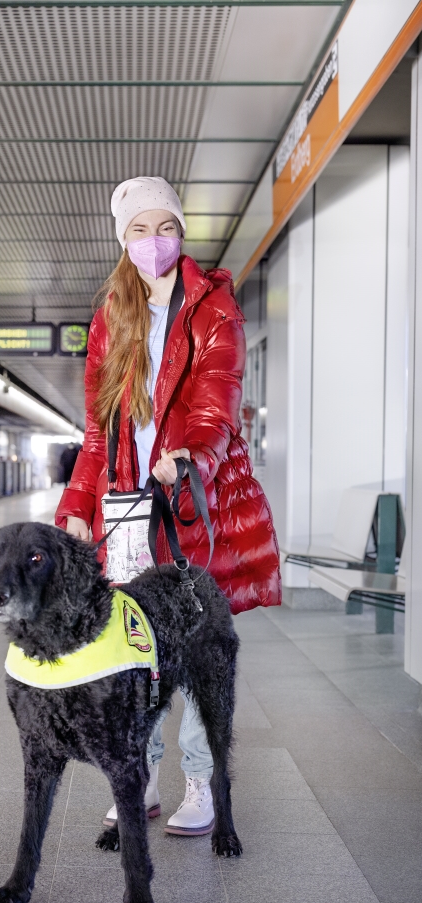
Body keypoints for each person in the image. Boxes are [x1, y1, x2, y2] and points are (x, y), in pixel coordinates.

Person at [55, 176, 281, 836]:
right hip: (126, 508)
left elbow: (217, 400)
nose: (153, 242)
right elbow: (97, 430)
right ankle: (140, 778)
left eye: (165, 228)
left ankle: (202, 785)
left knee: (195, 653)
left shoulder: (213, 306)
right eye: (138, 230)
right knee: (132, 652)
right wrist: (76, 503)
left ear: (181, 233)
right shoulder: (111, 319)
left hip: (193, 505)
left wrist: (187, 457)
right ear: (121, 242)